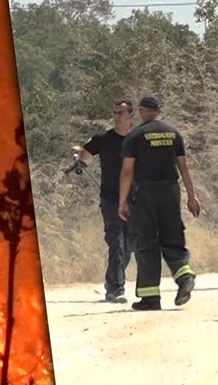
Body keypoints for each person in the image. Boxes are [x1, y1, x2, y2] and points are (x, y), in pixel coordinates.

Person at [118, 95, 200, 311]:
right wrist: (192, 196)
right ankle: (184, 276)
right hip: (171, 190)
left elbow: (127, 172)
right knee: (173, 237)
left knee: (146, 242)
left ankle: (150, 297)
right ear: (158, 111)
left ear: (143, 111)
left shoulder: (135, 136)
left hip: (145, 192)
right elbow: (184, 167)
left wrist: (122, 201)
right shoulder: (174, 133)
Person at [72, 99, 135, 303]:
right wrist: (76, 154)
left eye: (121, 113)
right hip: (110, 198)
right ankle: (116, 289)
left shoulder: (138, 139)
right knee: (115, 240)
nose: (117, 116)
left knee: (129, 246)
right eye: (115, 112)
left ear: (131, 116)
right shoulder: (103, 139)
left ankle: (111, 280)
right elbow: (84, 153)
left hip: (134, 199)